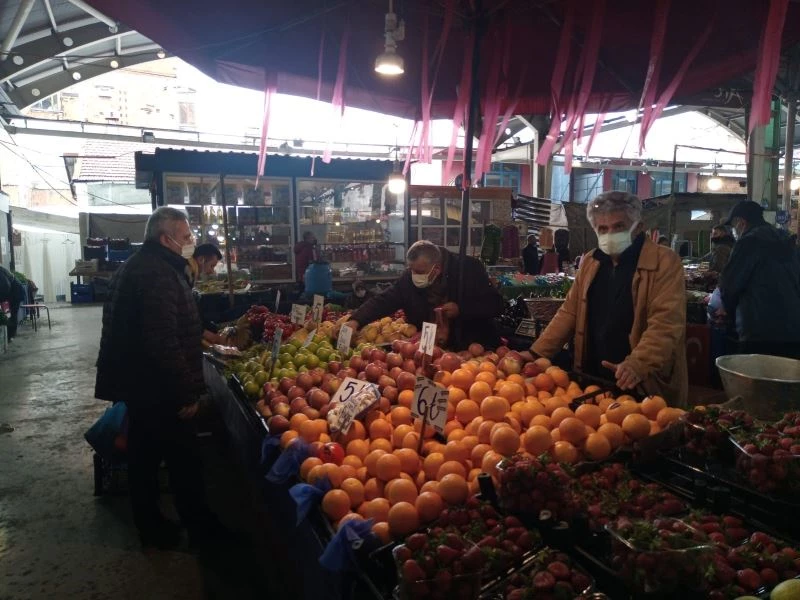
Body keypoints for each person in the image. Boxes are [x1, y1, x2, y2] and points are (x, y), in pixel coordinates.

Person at [95, 206, 220, 550]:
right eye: (186, 237)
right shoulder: (157, 275)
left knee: (145, 458)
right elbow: (162, 341)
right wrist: (187, 394)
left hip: (141, 383)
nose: (191, 243)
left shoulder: (143, 266)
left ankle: (153, 526)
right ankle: (200, 531)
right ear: (166, 239)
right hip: (156, 387)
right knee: (184, 462)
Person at [527, 191, 688, 406]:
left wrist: (637, 364)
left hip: (642, 381)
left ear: (638, 227)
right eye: (603, 229)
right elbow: (569, 312)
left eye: (619, 227)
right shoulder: (592, 261)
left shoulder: (664, 262)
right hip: (592, 375)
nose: (610, 234)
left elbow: (666, 322)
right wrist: (536, 353)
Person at [341, 241, 504, 349]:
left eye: (419, 271)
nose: (414, 275)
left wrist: (461, 309)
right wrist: (356, 320)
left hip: (472, 347)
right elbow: (384, 300)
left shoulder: (467, 269)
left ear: (437, 268)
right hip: (430, 349)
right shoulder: (408, 280)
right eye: (411, 269)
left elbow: (495, 305)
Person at [718, 200, 800, 358]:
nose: (733, 230)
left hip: (760, 330)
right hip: (793, 329)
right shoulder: (786, 240)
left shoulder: (748, 242)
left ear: (741, 222)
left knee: (757, 379)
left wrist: (726, 311)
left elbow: (729, 284)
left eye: (733, 226)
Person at [0, 266, 26, 341]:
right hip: (12, 293)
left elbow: (5, 286)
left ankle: (10, 336)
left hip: (15, 293)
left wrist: (1, 299)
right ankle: (10, 335)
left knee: (12, 314)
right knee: (9, 314)